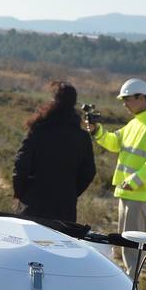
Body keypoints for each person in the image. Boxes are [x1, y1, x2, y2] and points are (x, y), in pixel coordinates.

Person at [89, 78, 146, 274]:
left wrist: (134, 181)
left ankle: (131, 288)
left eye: (127, 99)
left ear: (141, 97)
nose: (125, 104)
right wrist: (97, 131)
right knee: (125, 241)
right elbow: (114, 142)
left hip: (140, 194)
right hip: (127, 192)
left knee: (133, 246)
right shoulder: (135, 123)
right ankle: (127, 282)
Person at [11, 81, 96, 224]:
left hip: (32, 206)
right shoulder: (82, 137)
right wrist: (70, 193)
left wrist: (22, 194)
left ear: (52, 101)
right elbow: (88, 173)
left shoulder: (37, 131)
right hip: (64, 210)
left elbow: (20, 166)